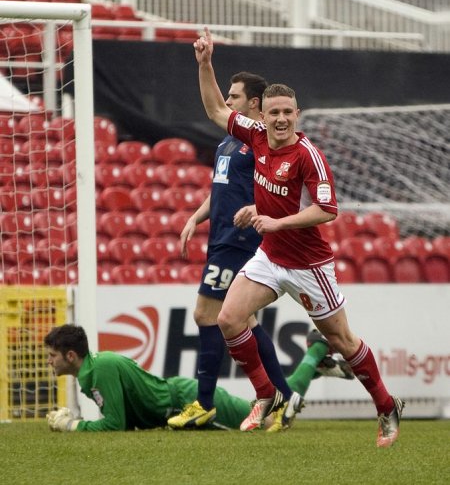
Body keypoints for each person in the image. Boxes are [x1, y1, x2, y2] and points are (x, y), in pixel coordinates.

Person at [192, 26, 404, 447]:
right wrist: (205, 63)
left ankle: (385, 405)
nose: (282, 119)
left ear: (298, 114)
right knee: (228, 318)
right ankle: (267, 396)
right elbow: (216, 109)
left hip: (309, 265)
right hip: (270, 257)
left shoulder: (308, 155)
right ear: (263, 115)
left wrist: (275, 222)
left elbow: (326, 209)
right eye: (274, 113)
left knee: (342, 340)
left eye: (289, 112)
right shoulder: (254, 136)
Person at [167, 71, 301, 431]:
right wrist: (195, 218)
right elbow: (219, 189)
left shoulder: (261, 144)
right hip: (219, 236)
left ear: (253, 104)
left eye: (234, 97)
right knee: (244, 321)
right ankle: (286, 397)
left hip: (240, 241)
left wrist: (259, 212)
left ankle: (205, 403)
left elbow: (275, 188)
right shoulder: (228, 143)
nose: (227, 102)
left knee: (205, 314)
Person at [45, 324, 353, 432]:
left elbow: (114, 425)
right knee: (268, 413)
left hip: (187, 402)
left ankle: (315, 351)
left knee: (275, 422)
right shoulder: (94, 369)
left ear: (71, 355)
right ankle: (317, 364)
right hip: (178, 403)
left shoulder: (96, 372)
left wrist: (72, 425)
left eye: (52, 356)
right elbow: (123, 422)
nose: (49, 361)